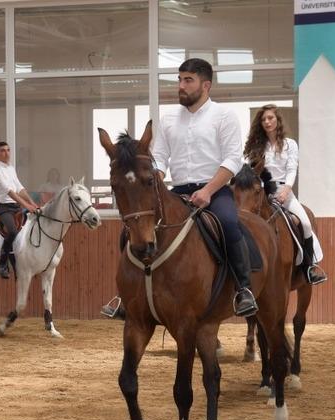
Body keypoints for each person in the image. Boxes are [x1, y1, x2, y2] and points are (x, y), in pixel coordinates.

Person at [102, 58, 257, 318]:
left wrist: (208, 191)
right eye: (179, 80)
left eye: (188, 80)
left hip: (214, 191)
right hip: (177, 192)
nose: (181, 86)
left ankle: (243, 289)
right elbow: (159, 158)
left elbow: (232, 159)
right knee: (131, 230)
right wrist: (155, 181)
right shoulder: (169, 118)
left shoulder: (224, 115)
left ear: (205, 85)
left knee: (230, 223)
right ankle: (128, 297)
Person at [244, 104, 327, 284]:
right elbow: (254, 172)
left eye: (270, 118)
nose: (267, 122)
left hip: (284, 191)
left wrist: (286, 189)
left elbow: (291, 169)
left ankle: (309, 266)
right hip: (263, 192)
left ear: (277, 120)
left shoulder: (290, 144)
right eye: (264, 119)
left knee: (304, 222)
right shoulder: (257, 147)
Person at [0, 141, 40, 279]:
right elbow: (11, 192)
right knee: (12, 231)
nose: (7, 153)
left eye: (8, 150)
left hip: (16, 207)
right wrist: (27, 206)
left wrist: (32, 203)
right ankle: (2, 264)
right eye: (3, 151)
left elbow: (20, 188)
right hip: (4, 208)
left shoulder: (10, 168)